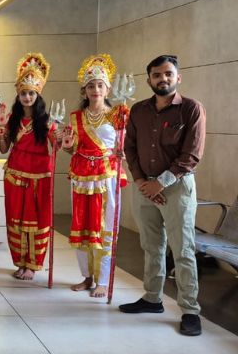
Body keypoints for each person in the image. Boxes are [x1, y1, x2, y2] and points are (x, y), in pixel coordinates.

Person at [119, 55, 206, 337]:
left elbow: (191, 154)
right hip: (144, 186)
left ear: (178, 77)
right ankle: (152, 298)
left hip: (177, 187)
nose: (162, 79)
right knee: (151, 245)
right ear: (149, 80)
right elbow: (129, 148)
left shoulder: (191, 109)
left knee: (182, 250)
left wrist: (161, 183)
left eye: (168, 74)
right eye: (157, 75)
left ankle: (190, 310)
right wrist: (141, 181)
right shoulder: (138, 110)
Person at [60, 54, 129, 297]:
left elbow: (125, 147)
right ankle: (87, 277)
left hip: (106, 176)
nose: (95, 90)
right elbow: (72, 149)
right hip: (81, 177)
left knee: (105, 227)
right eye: (91, 86)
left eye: (100, 85)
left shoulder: (118, 115)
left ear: (107, 88)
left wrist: (123, 152)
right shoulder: (75, 117)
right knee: (82, 225)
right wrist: (67, 146)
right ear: (84, 90)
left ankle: (103, 280)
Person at [0, 54, 57, 280]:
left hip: (39, 177)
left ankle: (33, 265)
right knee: (15, 219)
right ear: (18, 94)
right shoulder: (11, 119)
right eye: (23, 93)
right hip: (14, 175)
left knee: (37, 220)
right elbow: (4, 148)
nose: (27, 97)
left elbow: (58, 147)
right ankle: (20, 262)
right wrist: (0, 132)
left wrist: (63, 139)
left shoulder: (48, 121)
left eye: (31, 93)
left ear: (38, 94)